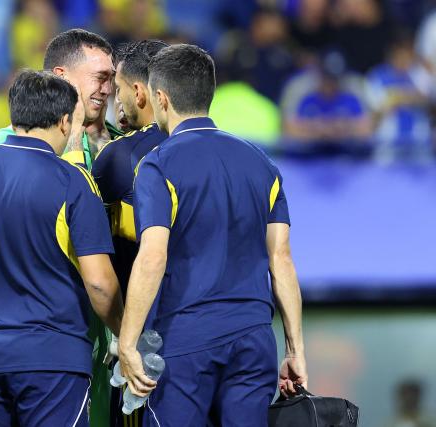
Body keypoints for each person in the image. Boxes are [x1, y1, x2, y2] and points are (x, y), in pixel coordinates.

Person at [117, 44, 308, 427]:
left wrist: (127, 342)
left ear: (161, 98)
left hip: (186, 342)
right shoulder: (261, 163)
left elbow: (153, 256)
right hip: (254, 340)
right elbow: (281, 259)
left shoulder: (158, 164)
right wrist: (294, 348)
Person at [0, 70, 124, 426]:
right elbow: (99, 283)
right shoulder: (73, 182)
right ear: (67, 122)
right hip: (54, 362)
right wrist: (123, 334)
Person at [90, 39, 168, 426]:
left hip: (143, 343)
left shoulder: (118, 157)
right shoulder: (230, 155)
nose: (113, 99)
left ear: (139, 92)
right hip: (218, 335)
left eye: (117, 88)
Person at [0, 28, 123, 169]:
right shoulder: (8, 144)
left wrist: (99, 137)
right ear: (62, 77)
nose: (108, 90)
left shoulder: (111, 138)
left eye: (110, 79)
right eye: (100, 77)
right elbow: (72, 190)